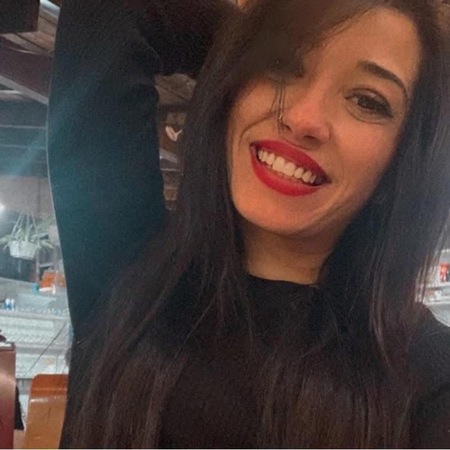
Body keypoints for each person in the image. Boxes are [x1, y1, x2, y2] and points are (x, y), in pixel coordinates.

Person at [48, 0, 450, 447]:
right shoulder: (132, 271)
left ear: (407, 154)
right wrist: (253, 38)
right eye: (282, 66)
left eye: (365, 101)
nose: (302, 119)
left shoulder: (430, 382)